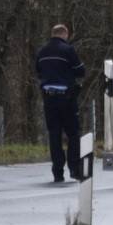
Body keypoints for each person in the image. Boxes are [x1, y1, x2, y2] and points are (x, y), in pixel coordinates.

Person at [35, 24, 86, 182]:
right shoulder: (68, 50)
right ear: (64, 34)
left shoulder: (41, 51)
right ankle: (75, 169)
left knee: (54, 134)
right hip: (66, 97)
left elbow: (38, 72)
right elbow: (81, 70)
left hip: (48, 97)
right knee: (73, 133)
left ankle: (57, 171)